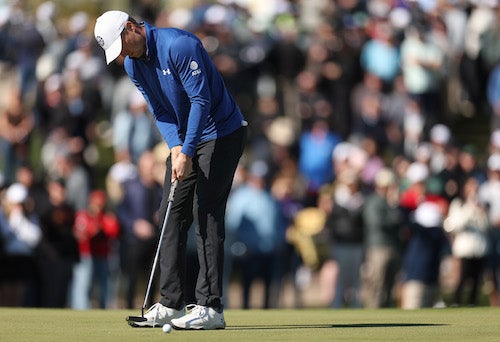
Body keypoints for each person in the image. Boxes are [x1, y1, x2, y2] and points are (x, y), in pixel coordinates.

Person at [94, 10, 246, 329]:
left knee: (206, 213)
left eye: (121, 46)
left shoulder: (178, 45)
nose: (121, 55)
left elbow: (201, 101)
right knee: (170, 214)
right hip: (186, 140)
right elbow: (159, 109)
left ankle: (210, 306)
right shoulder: (135, 65)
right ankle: (171, 302)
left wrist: (187, 149)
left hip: (221, 133)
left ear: (131, 28)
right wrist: (176, 147)